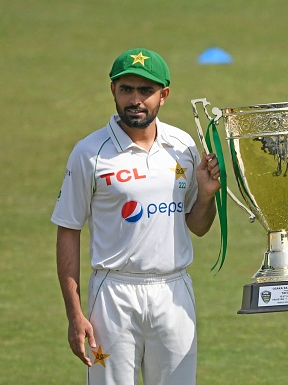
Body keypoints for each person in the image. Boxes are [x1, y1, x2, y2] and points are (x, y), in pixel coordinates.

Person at [51, 47, 221, 384]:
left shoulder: (183, 145)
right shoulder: (89, 153)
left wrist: (206, 195)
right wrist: (74, 314)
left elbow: (197, 227)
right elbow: (68, 230)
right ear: (112, 90)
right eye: (126, 89)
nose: (136, 100)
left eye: (146, 91)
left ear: (164, 95)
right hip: (113, 294)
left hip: (174, 291)